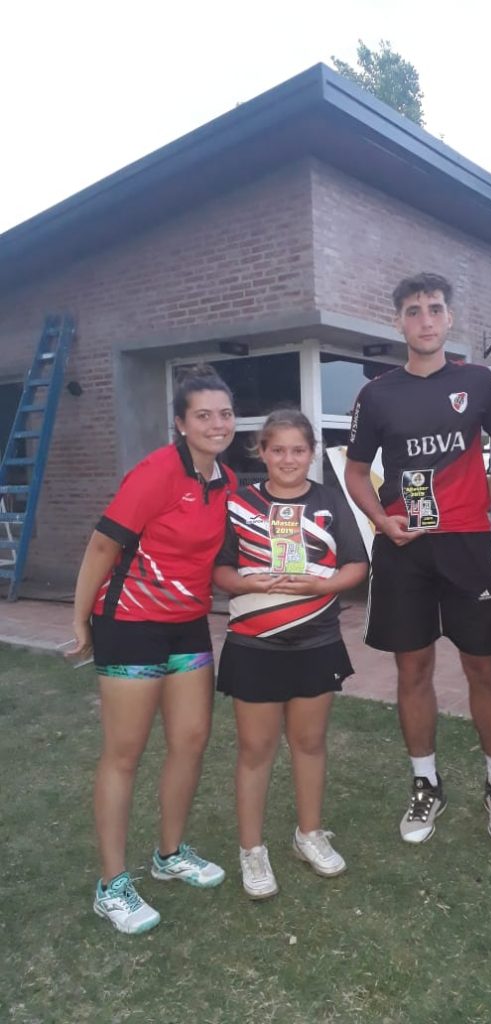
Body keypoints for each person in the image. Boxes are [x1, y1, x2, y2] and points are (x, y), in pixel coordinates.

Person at [344, 272, 491, 846]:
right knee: (412, 670)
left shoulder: (480, 381)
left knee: (484, 670)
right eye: (413, 310)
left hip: (467, 545)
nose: (425, 319)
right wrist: (379, 519)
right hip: (404, 545)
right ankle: (426, 784)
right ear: (398, 321)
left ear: (449, 319)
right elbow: (353, 471)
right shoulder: (376, 394)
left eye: (435, 309)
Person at [70, 365, 238, 934]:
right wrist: (80, 619)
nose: (217, 424)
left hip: (187, 625)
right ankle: (111, 885)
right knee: (125, 752)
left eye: (224, 413)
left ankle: (169, 856)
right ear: (181, 423)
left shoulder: (226, 482)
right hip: (131, 623)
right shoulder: (157, 472)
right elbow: (100, 546)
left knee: (191, 740)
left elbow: (214, 560)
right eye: (204, 415)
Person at [213, 409, 368, 898]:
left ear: (312, 452)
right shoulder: (239, 503)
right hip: (255, 642)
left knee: (309, 743)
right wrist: (246, 581)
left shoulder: (328, 501)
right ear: (261, 452)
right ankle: (251, 849)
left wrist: (316, 583)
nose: (288, 459)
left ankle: (309, 834)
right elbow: (220, 571)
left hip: (316, 640)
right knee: (256, 750)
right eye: (276, 449)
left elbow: (356, 565)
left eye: (298, 450)